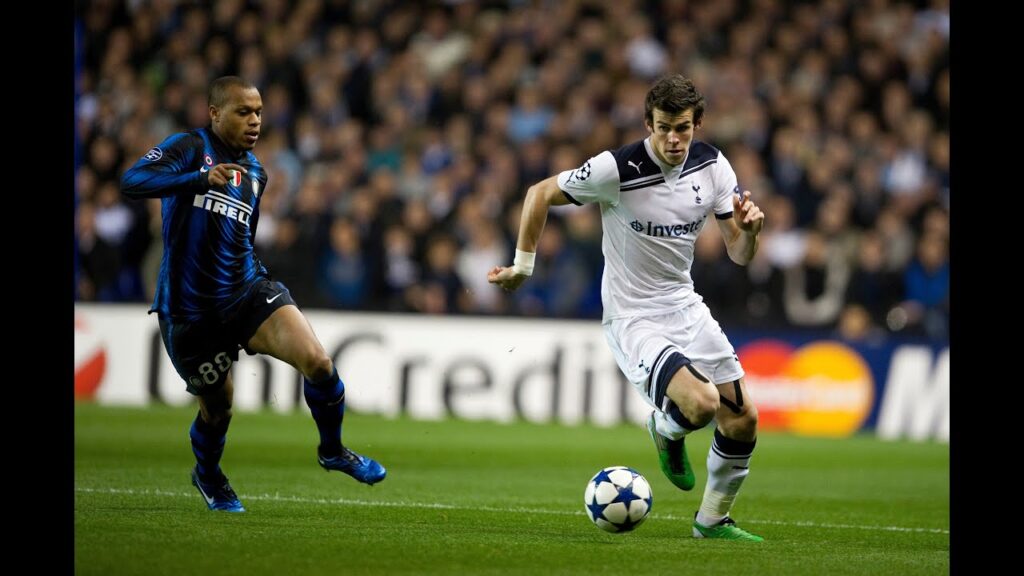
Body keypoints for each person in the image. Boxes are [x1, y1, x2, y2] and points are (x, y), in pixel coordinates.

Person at [489, 74, 765, 541]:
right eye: (663, 128)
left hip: (685, 305)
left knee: (743, 419)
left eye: (682, 128)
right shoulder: (617, 169)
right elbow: (539, 193)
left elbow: (740, 255)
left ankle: (712, 521)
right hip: (633, 315)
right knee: (701, 404)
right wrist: (522, 266)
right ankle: (665, 428)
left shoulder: (714, 167)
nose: (673, 139)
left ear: (697, 123)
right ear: (647, 124)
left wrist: (750, 232)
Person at [121, 76, 386, 513]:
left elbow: (243, 233)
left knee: (318, 362)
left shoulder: (256, 172)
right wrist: (199, 179)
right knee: (218, 409)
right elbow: (133, 180)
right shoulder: (189, 146)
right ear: (215, 113)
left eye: (259, 112)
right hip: (190, 311)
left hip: (246, 291)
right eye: (244, 111)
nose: (255, 120)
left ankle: (333, 451)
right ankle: (208, 474)